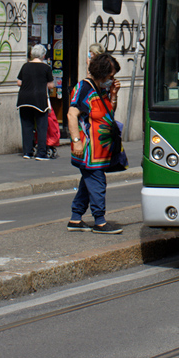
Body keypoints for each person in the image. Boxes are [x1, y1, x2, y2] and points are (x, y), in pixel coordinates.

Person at [68, 53, 123, 234]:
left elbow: (109, 113)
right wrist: (76, 141)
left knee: (88, 182)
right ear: (101, 73)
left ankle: (76, 218)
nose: (112, 80)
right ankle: (99, 221)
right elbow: (71, 114)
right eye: (111, 76)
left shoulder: (102, 89)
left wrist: (114, 95)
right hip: (89, 150)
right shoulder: (84, 88)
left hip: (102, 150)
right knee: (97, 182)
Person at [15, 44, 53, 159]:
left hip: (24, 99)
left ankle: (27, 152)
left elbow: (19, 82)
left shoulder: (25, 66)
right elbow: (50, 85)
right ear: (43, 55)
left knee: (26, 126)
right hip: (39, 100)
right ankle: (41, 153)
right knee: (41, 126)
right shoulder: (46, 68)